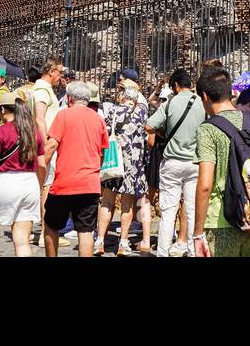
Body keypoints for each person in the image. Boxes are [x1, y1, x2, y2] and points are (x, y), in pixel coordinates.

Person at [193, 65, 250, 258]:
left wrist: (198, 233)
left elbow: (205, 185)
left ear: (205, 96)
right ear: (229, 92)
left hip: (221, 222)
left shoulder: (208, 130)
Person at [41, 81, 109, 257]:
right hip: (89, 184)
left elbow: (50, 147)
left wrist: (40, 173)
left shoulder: (63, 116)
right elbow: (102, 153)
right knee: (85, 231)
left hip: (64, 183)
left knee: (51, 226)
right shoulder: (99, 120)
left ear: (70, 98)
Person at [0, 92, 46, 257]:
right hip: (30, 184)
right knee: (22, 241)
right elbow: (42, 164)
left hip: (6, 182)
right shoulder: (33, 133)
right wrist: (40, 185)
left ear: (2, 110)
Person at [146, 67, 205, 257]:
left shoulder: (170, 102)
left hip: (172, 162)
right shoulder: (201, 103)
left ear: (177, 86)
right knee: (192, 210)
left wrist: (165, 131)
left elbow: (149, 126)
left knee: (168, 211)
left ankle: (163, 253)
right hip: (194, 163)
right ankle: (192, 250)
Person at [96, 79, 153, 255]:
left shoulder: (111, 111)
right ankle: (123, 242)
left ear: (122, 96)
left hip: (114, 161)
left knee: (107, 201)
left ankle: (99, 241)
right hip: (133, 165)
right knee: (127, 205)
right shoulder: (142, 113)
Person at [30, 58, 64, 243]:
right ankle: (44, 233)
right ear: (51, 71)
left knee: (36, 187)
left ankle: (27, 229)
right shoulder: (42, 89)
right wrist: (45, 146)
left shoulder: (38, 88)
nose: (60, 76)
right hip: (44, 144)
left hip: (37, 143)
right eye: (59, 72)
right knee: (45, 188)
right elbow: (40, 118)